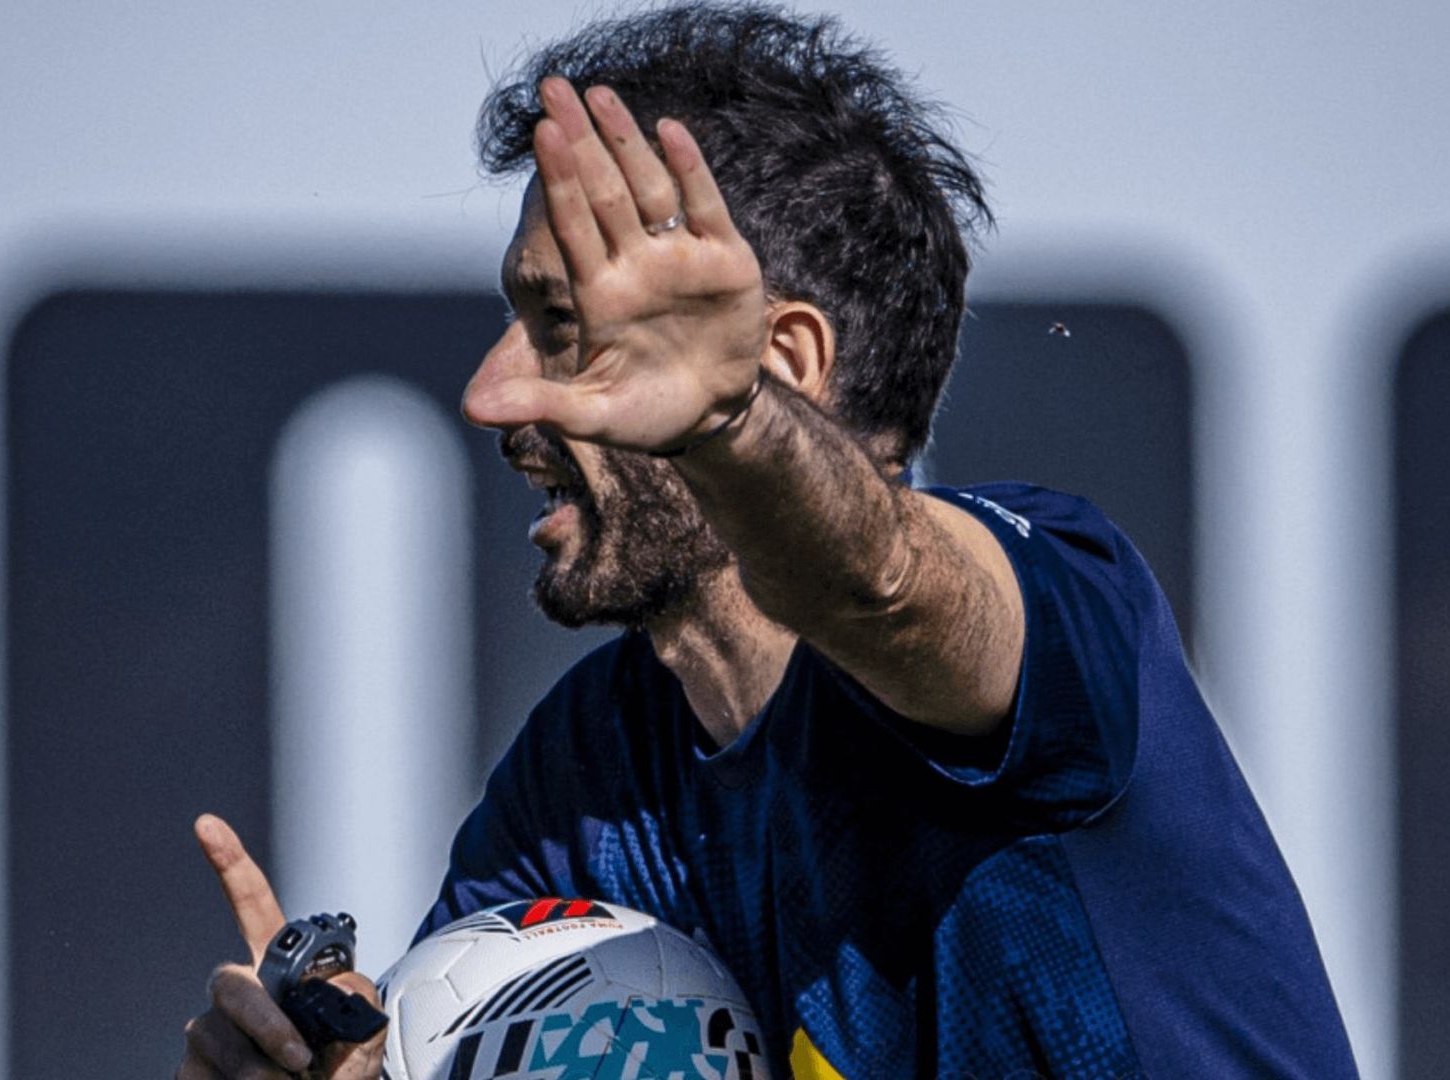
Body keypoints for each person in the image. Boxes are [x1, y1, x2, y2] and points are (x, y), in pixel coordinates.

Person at [177, 3, 1360, 1077]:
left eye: (561, 329)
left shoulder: (1050, 598)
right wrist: (337, 1070)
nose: (493, 395)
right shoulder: (585, 777)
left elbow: (883, 586)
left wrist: (734, 423)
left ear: (780, 364)